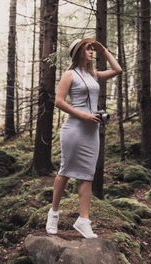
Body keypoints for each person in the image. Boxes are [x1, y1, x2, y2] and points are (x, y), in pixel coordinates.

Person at [45, 37, 122, 238]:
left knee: (87, 174)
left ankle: (83, 221)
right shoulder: (69, 74)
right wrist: (84, 115)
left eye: (91, 49)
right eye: (88, 48)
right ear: (79, 52)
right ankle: (53, 213)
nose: (91, 51)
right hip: (75, 129)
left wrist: (103, 49)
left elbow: (117, 70)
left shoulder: (93, 74)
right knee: (65, 171)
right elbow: (59, 102)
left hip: (91, 132)